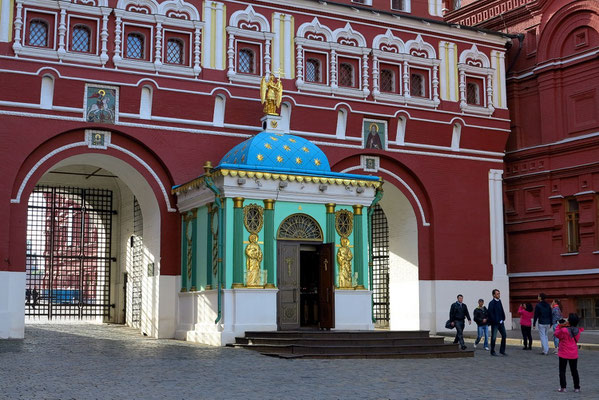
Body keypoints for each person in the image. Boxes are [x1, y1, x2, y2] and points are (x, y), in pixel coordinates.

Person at [555, 313, 584, 393]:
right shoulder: (578, 331)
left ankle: (563, 387)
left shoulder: (564, 330)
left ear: (569, 321)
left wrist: (559, 326)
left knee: (562, 370)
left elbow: (556, 334)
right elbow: (576, 340)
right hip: (573, 352)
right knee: (574, 370)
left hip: (564, 352)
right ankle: (577, 387)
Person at [488, 288, 507, 356]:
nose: (499, 295)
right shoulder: (491, 303)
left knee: (504, 335)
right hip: (495, 323)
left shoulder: (500, 301)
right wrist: (495, 321)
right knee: (494, 337)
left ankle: (502, 350)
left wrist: (503, 318)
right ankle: (492, 351)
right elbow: (490, 313)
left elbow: (501, 310)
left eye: (499, 293)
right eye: (497, 294)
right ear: (494, 295)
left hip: (501, 322)